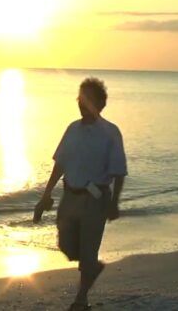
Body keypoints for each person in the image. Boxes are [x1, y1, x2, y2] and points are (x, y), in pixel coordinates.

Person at [35, 77, 127, 311]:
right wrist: (45, 195)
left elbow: (118, 171)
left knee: (88, 253)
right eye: (79, 97)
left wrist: (114, 203)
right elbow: (60, 163)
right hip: (69, 197)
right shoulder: (72, 129)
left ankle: (81, 300)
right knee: (66, 246)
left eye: (86, 98)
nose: (81, 102)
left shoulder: (110, 133)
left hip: (95, 200)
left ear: (99, 103)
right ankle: (91, 267)